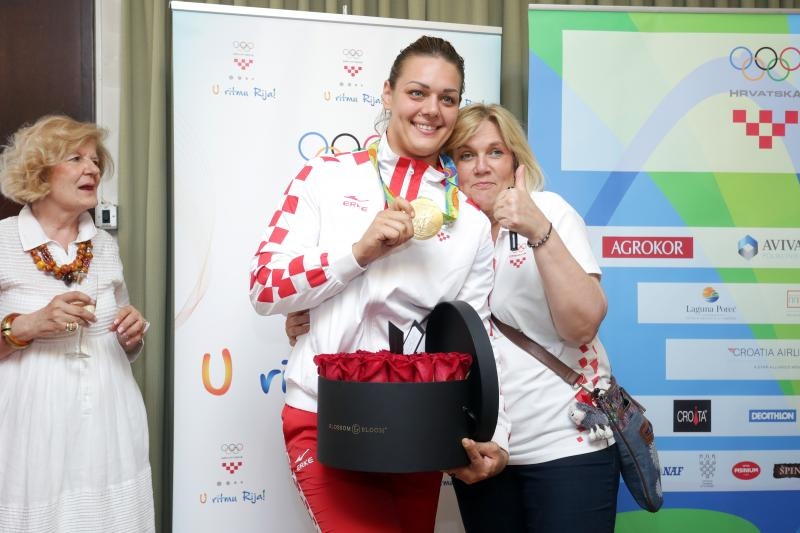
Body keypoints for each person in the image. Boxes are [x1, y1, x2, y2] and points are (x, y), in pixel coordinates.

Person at [249, 36, 509, 533]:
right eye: (417, 92)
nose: (431, 109)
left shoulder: (469, 220)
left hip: (418, 422)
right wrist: (357, 254)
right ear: (387, 93)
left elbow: (479, 339)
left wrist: (496, 434)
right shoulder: (325, 176)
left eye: (447, 98)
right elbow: (264, 287)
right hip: (326, 416)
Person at [443, 103, 620, 532]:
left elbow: (582, 325)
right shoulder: (443, 236)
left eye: (495, 152)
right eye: (466, 155)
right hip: (483, 453)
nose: (481, 167)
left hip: (567, 447)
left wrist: (537, 229)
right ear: (449, 168)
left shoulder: (549, 211)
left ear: (515, 161)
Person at [0, 115, 155, 532]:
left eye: (95, 160)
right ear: (39, 171)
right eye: (76, 158)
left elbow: (121, 328)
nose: (93, 169)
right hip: (30, 428)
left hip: (109, 417)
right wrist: (27, 326)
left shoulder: (103, 246)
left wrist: (131, 333)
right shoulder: (3, 242)